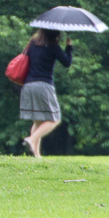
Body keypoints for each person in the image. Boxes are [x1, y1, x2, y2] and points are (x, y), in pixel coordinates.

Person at [19, 28, 72, 158]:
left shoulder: (32, 43)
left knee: (38, 121)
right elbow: (67, 63)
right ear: (55, 34)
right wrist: (69, 47)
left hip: (28, 85)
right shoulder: (53, 47)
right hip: (43, 85)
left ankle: (37, 155)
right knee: (55, 120)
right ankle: (32, 139)